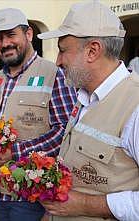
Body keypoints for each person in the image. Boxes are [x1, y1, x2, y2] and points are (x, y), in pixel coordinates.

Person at [37, 1, 139, 220]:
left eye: (63, 51)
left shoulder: (135, 106)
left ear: (92, 50)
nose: (58, 61)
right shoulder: (84, 96)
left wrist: (86, 205)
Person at [0, 8, 76, 221]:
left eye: (10, 35)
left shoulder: (54, 74)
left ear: (29, 34)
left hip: (33, 194)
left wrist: (14, 152)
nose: (4, 43)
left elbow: (66, 131)